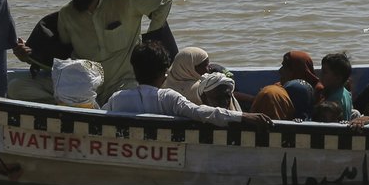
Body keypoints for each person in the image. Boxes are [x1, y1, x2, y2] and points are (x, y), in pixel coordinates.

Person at [10, 0, 175, 105]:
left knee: (126, 101)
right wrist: (30, 56)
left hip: (122, 83)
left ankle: (83, 108)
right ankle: (83, 107)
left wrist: (151, 41)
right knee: (16, 87)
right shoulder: (67, 14)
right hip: (84, 84)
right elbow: (63, 57)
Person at [103, 43, 270, 128]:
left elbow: (97, 113)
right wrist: (243, 116)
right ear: (164, 73)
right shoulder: (168, 98)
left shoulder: (117, 99)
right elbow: (201, 112)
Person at [316, 51, 356, 120]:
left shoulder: (334, 100)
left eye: (325, 72)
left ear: (338, 78)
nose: (321, 74)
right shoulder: (346, 92)